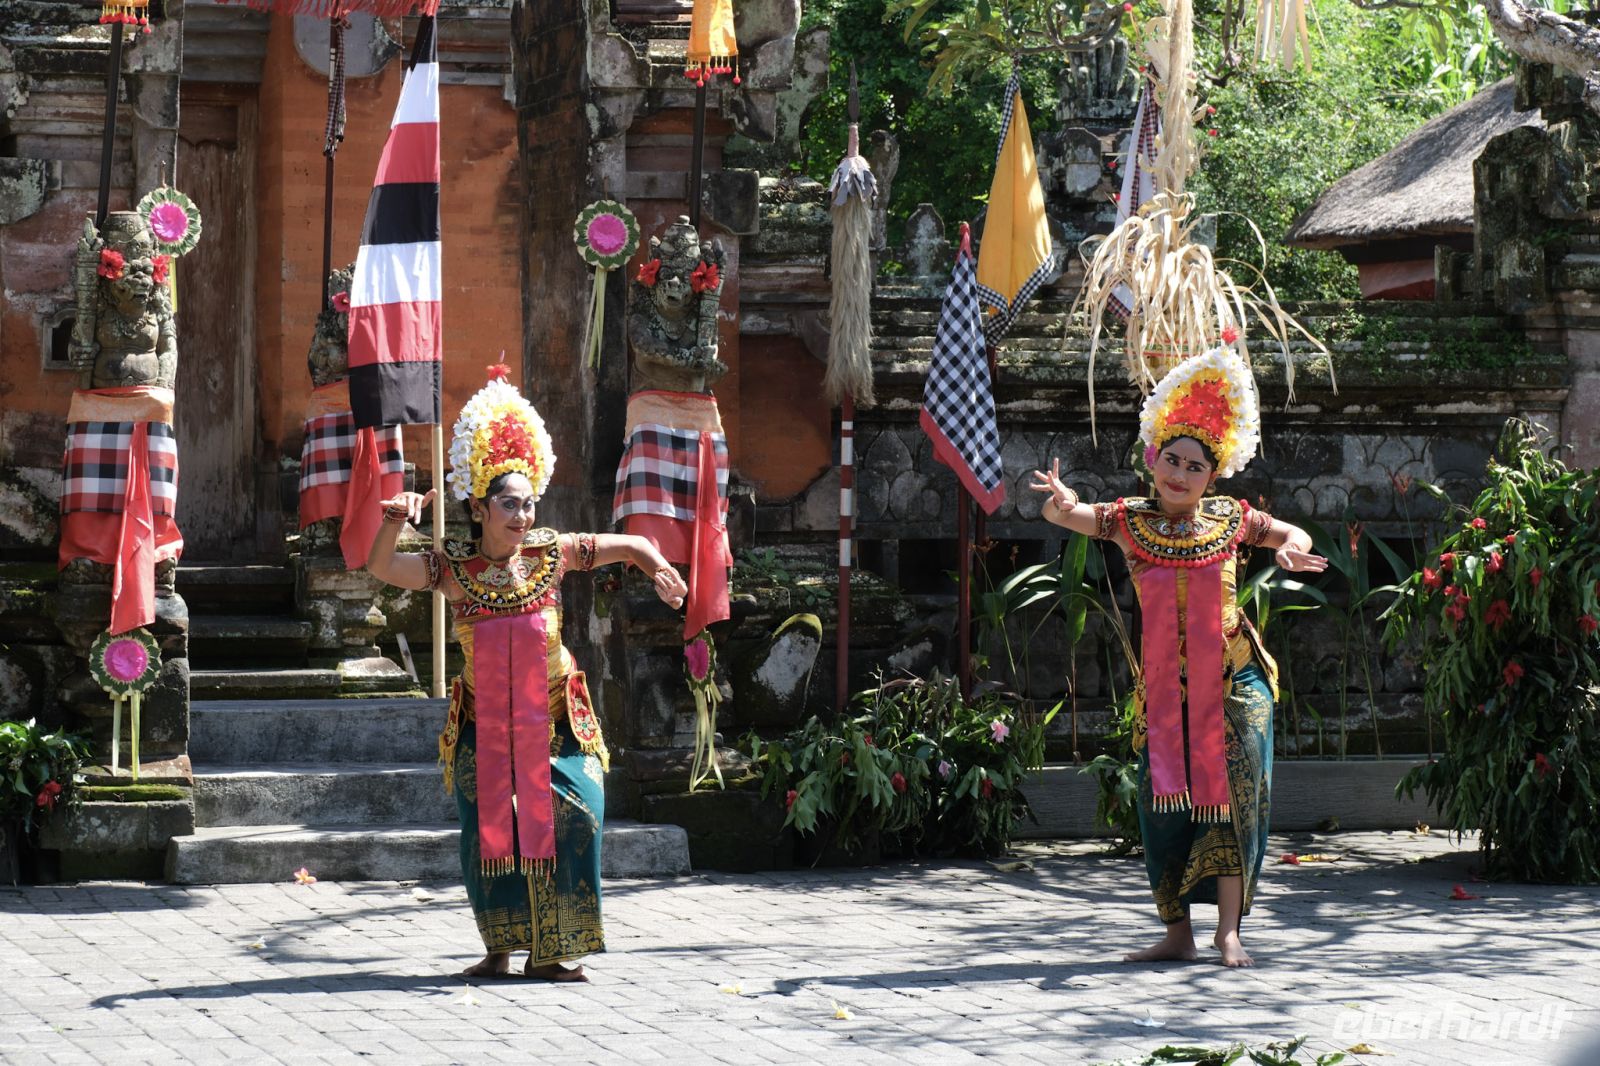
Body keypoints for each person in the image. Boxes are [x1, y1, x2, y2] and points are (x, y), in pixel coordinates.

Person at [367, 365, 687, 982]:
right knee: (490, 833)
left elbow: (624, 545)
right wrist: (394, 517)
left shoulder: (551, 553)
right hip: (485, 729)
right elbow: (380, 566)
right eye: (509, 504)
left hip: (557, 723)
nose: (522, 514)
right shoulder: (450, 569)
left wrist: (657, 566)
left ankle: (554, 947)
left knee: (579, 811)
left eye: (528, 502)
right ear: (479, 508)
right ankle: (501, 949)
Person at [1030, 346, 1326, 968]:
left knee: (1238, 795)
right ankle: (1176, 931)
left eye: (1195, 466)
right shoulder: (1126, 520)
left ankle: (1228, 932)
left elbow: (1291, 533)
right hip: (1166, 688)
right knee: (1160, 806)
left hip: (1235, 677)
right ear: (1154, 460)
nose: (1181, 474)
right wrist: (1057, 499)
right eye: (1173, 460)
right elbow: (1066, 514)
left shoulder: (1232, 519)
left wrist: (1293, 550)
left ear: (1211, 478)